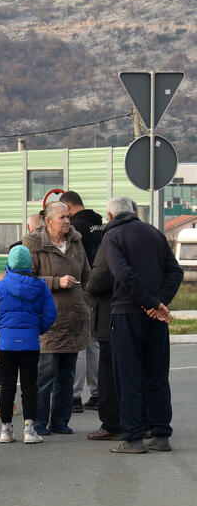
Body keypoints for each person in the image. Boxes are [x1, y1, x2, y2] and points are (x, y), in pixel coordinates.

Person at [102, 197, 182, 454]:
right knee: (157, 375)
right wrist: (158, 303)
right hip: (155, 317)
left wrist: (150, 303)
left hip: (126, 313)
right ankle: (161, 435)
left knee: (128, 377)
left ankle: (133, 438)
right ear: (133, 211)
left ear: (110, 215)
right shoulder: (155, 233)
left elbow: (123, 274)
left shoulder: (112, 235)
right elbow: (175, 272)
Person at [22, 201, 91, 436]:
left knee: (67, 375)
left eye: (68, 217)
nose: (67, 221)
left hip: (74, 319)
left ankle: (60, 420)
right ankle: (39, 422)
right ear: (48, 221)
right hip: (48, 321)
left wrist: (86, 303)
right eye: (62, 217)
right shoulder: (33, 245)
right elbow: (26, 280)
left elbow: (87, 276)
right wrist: (55, 282)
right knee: (46, 374)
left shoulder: (75, 242)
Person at [0, 245, 56, 444]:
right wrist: (38, 328)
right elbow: (51, 313)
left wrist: (0, 328)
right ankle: (29, 430)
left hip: (7, 342)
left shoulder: (1, 286)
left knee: (7, 386)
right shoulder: (40, 285)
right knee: (30, 386)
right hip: (30, 342)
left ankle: (6, 430)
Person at [60, 191, 103, 412]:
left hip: (80, 289)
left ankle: (74, 396)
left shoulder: (75, 229)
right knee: (93, 343)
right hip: (100, 289)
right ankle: (97, 393)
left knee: (78, 343)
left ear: (67, 207)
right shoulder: (100, 225)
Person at [84, 229, 120, 441]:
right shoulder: (153, 236)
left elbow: (98, 279)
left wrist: (88, 287)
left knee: (108, 374)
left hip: (108, 316)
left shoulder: (110, 239)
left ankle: (112, 424)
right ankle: (145, 423)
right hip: (142, 314)